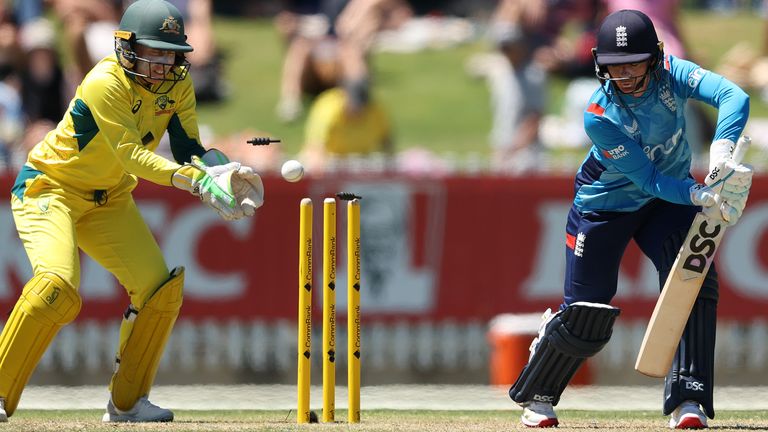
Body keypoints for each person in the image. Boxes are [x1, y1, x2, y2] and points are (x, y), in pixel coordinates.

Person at [0, 0, 263, 423]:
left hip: (109, 199)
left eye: (170, 54)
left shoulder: (178, 84)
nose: (162, 65)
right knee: (57, 287)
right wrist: (194, 182)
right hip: (50, 187)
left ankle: (128, 404)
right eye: (153, 52)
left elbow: (188, 149)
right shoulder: (105, 82)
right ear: (127, 48)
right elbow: (131, 157)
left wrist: (221, 170)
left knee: (159, 290)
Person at [507, 9, 753, 429]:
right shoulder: (599, 115)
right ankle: (539, 393)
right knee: (587, 314)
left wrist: (722, 153)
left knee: (693, 282)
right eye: (614, 66)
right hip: (605, 207)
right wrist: (700, 193)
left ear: (655, 57)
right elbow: (649, 179)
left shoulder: (673, 73)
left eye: (634, 64)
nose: (624, 75)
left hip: (665, 204)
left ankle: (688, 400)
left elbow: (735, 97)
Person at [299, 78, 392, 173]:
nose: (357, 114)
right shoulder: (328, 109)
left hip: (360, 163)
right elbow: (315, 147)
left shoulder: (374, 110)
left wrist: (389, 164)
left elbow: (387, 142)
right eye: (353, 108)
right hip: (330, 162)